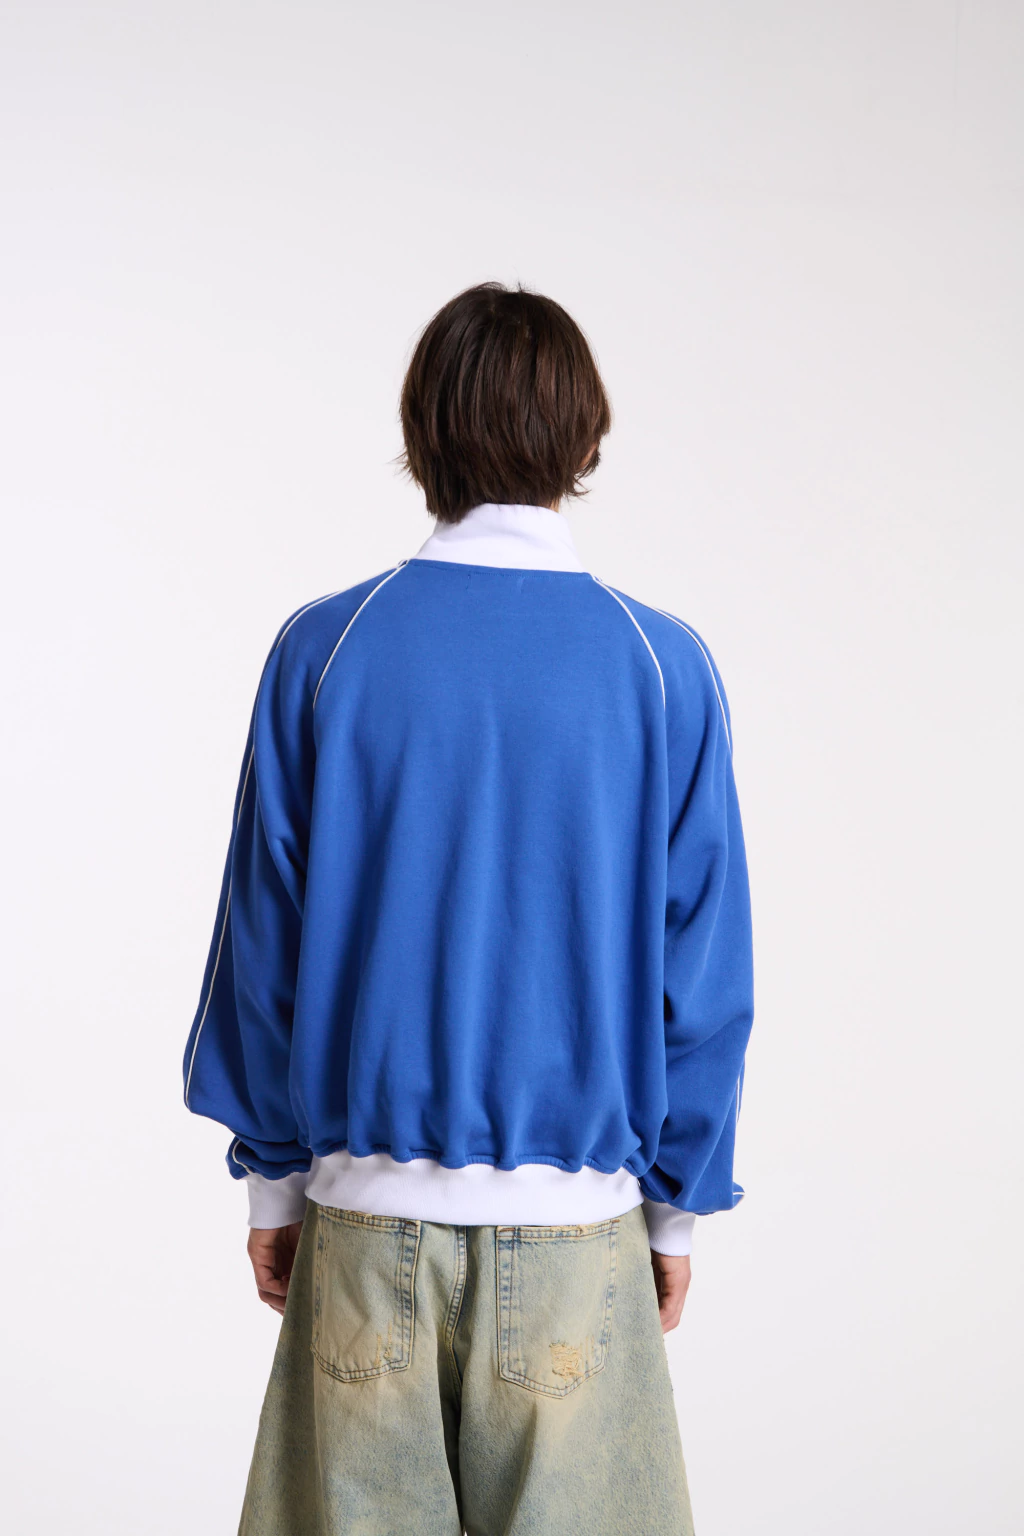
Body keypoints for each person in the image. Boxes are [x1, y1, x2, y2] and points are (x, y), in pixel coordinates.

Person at [183, 282, 755, 1536]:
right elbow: (702, 975)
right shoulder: (659, 664)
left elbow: (261, 943)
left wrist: (274, 1187)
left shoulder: (326, 649)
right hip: (578, 1239)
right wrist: (675, 1209)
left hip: (362, 1223)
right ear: (586, 435)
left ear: (421, 429)